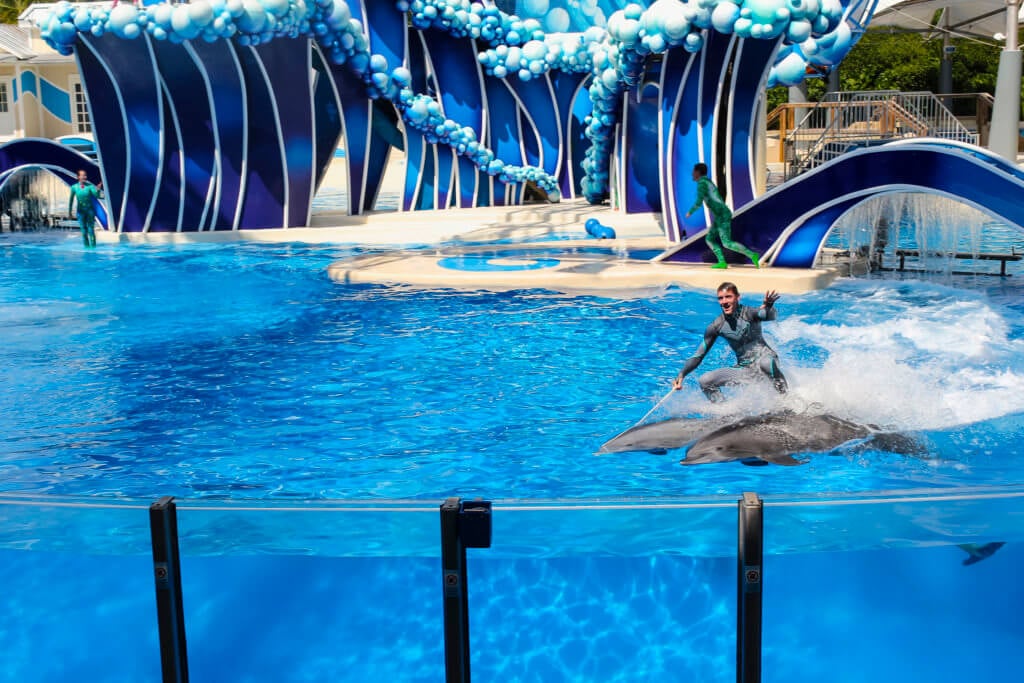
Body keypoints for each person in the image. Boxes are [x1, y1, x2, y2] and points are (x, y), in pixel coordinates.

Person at [671, 282, 788, 402]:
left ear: (738, 297)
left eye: (728, 297)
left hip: (767, 360)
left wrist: (768, 306)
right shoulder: (716, 326)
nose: (724, 301)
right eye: (720, 298)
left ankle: (786, 400)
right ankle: (724, 412)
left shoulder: (749, 313)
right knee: (705, 381)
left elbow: (770, 315)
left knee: (766, 364)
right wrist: (681, 374)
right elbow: (698, 355)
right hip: (745, 369)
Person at [685, 163, 759, 269]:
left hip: (722, 215)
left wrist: (690, 212)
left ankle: (752, 255)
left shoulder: (702, 183)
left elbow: (699, 202)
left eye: (693, 171)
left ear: (697, 172)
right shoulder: (707, 181)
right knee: (710, 239)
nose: (692, 173)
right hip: (720, 215)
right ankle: (722, 262)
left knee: (727, 243)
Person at [68, 170, 103, 248]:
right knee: (84, 231)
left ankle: (93, 248)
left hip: (90, 211)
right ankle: (87, 248)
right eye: (83, 175)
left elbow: (97, 196)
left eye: (85, 175)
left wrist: (97, 190)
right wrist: (69, 212)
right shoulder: (74, 187)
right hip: (80, 212)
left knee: (91, 230)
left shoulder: (90, 186)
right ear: (78, 177)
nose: (85, 177)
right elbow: (71, 200)